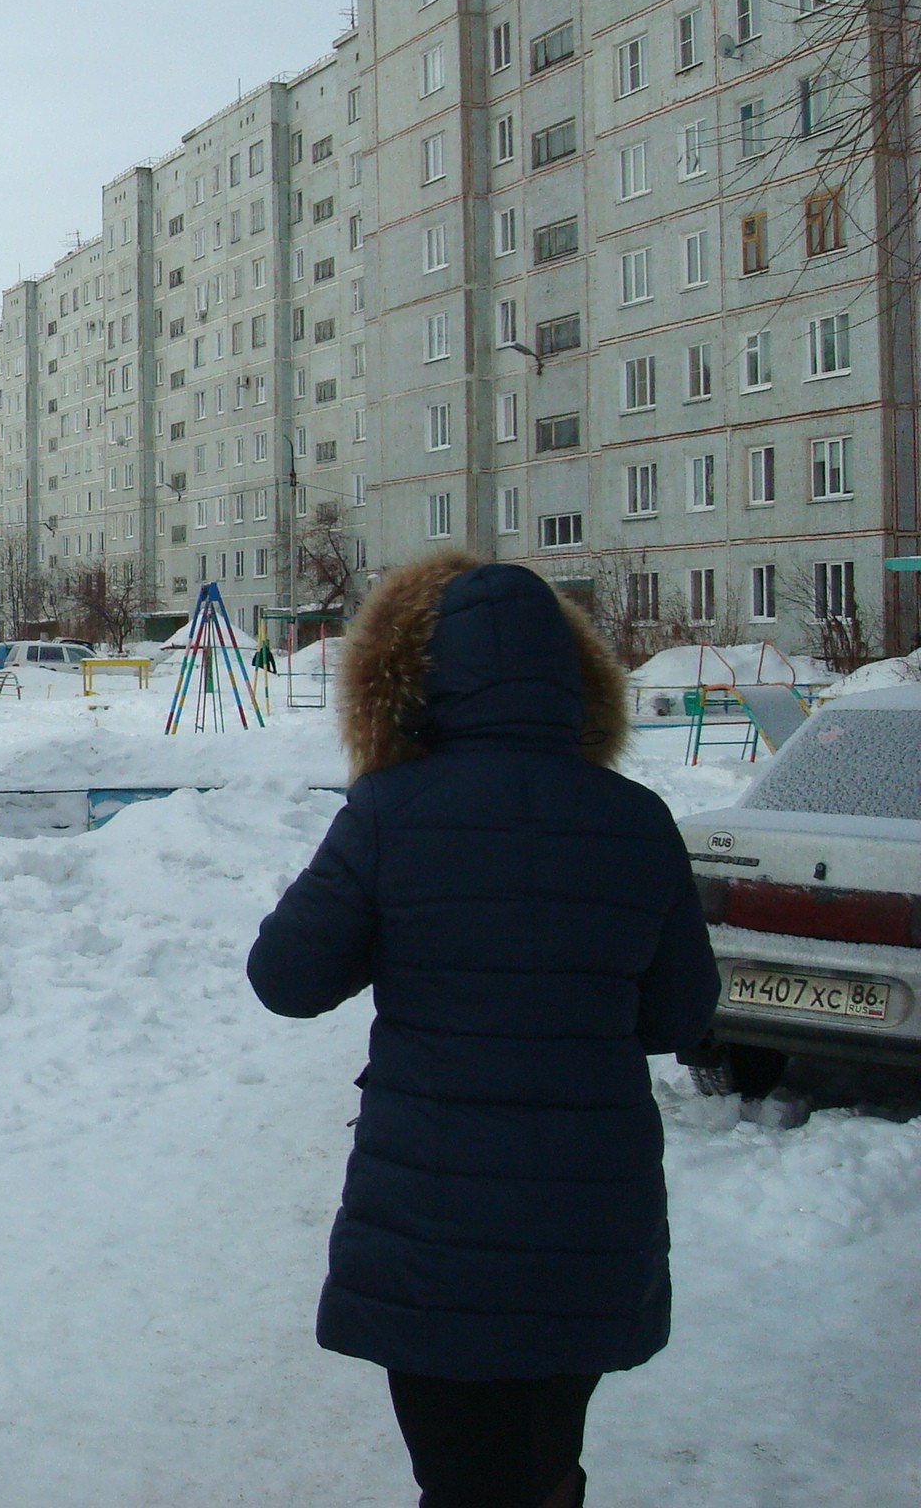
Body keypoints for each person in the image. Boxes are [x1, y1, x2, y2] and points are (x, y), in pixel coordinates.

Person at [247, 557, 719, 1508]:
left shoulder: (390, 814)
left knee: (461, 1478)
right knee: (545, 1465)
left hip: (435, 1223)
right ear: (577, 681)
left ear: (417, 680)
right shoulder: (637, 821)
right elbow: (682, 1016)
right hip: (591, 1212)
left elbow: (286, 981)